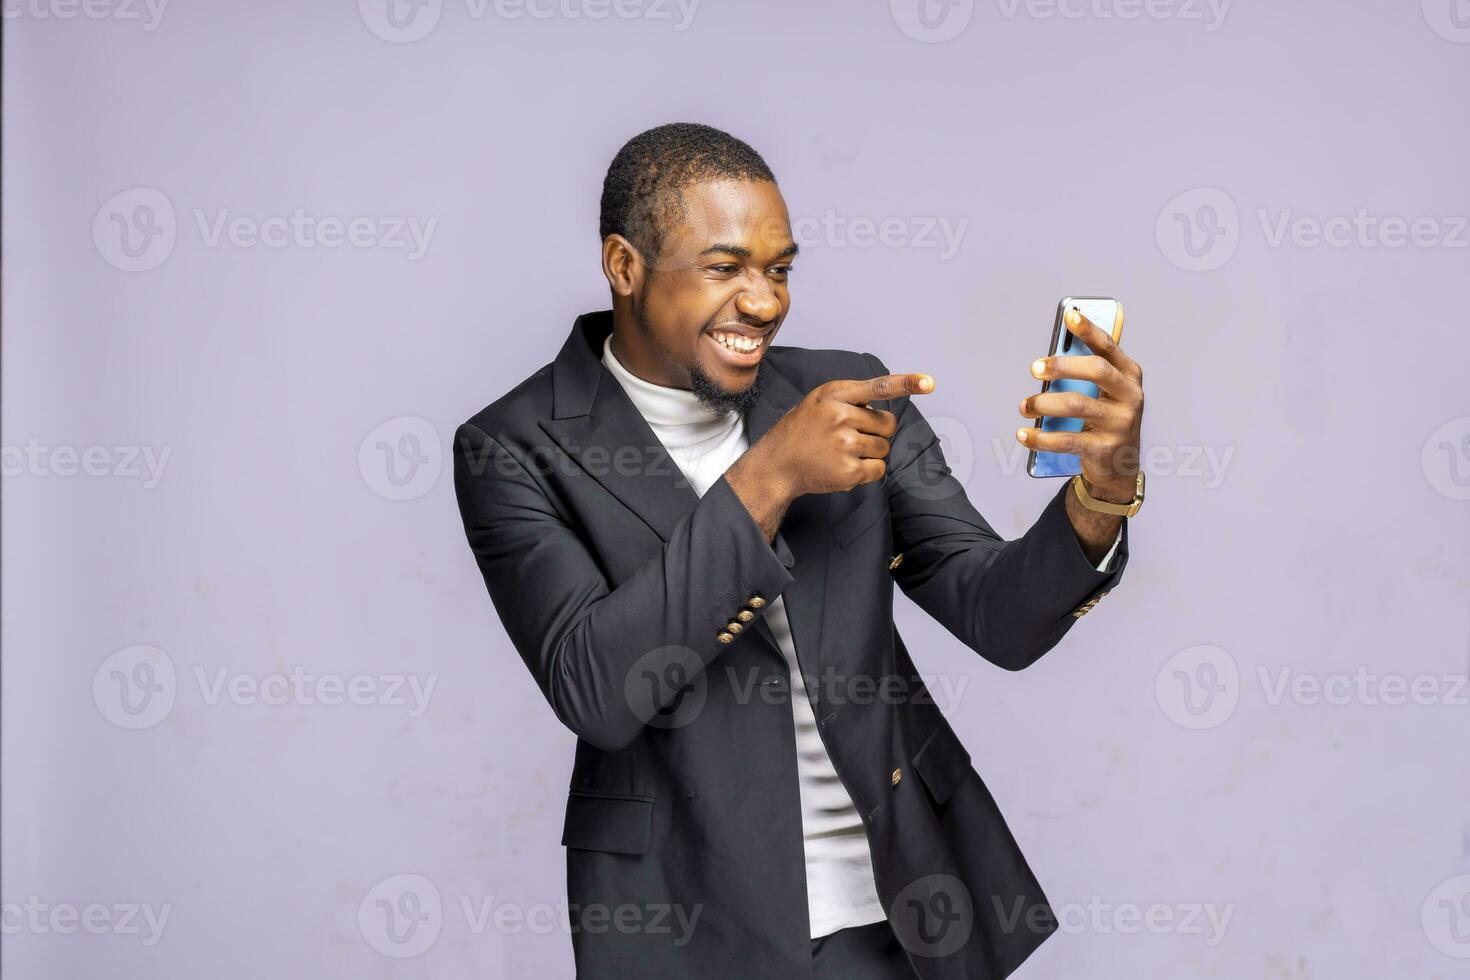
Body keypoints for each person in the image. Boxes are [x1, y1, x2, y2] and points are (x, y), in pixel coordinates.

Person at [452, 122, 1146, 979]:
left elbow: (995, 615)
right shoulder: (513, 447)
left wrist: (1103, 492)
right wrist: (769, 477)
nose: (766, 301)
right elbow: (597, 689)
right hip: (690, 928)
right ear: (624, 266)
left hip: (905, 912)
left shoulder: (849, 391)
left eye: (779, 270)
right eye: (725, 268)